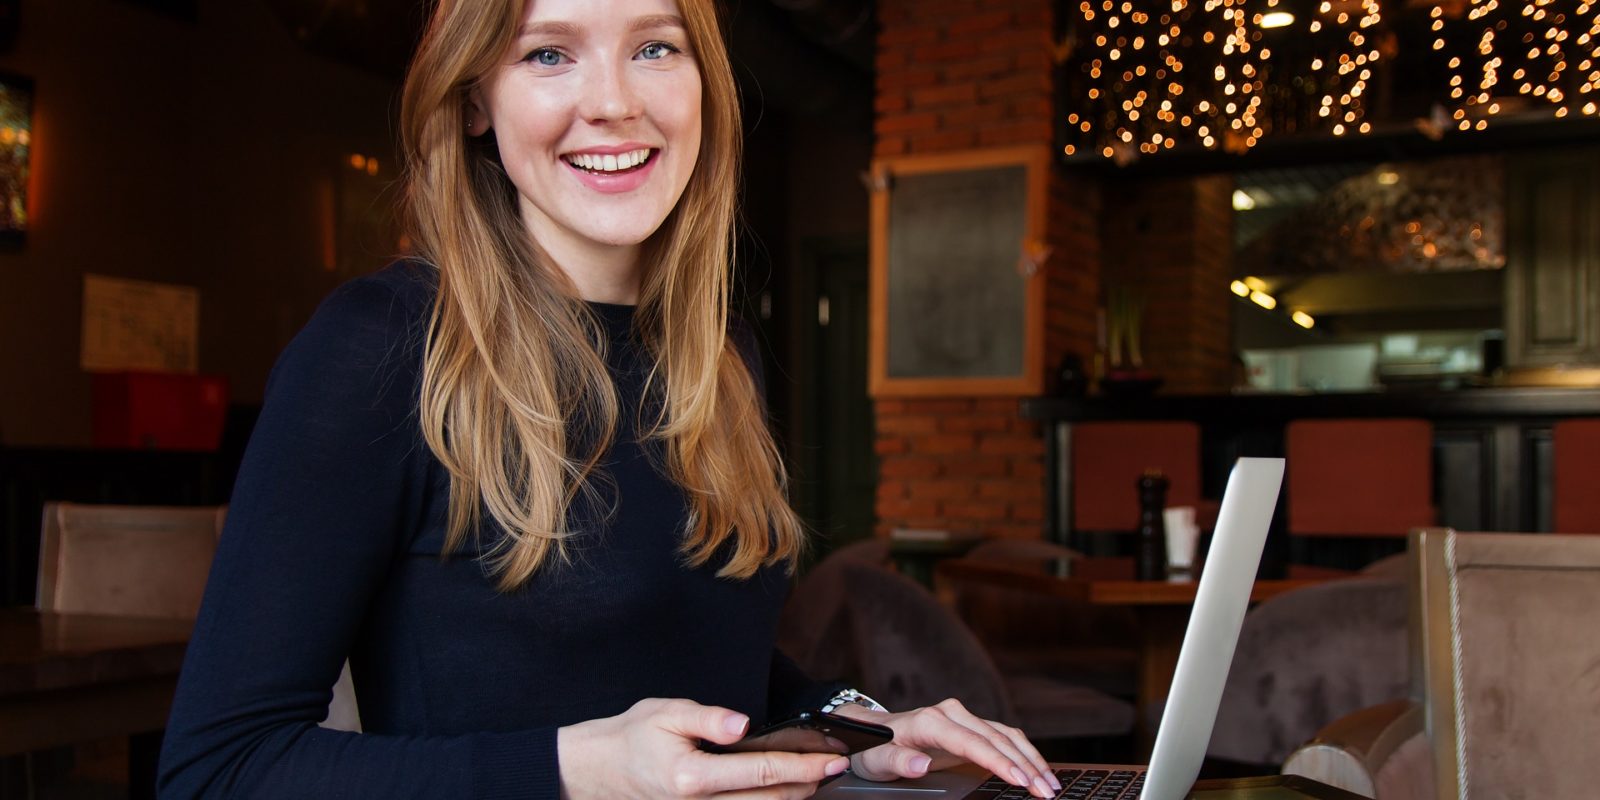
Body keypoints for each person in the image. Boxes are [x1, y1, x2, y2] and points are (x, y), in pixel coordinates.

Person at [157, 1, 1065, 798]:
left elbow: (700, 665)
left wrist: (859, 730)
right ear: (475, 98)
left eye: (656, 47)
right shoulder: (379, 347)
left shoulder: (717, 351)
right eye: (548, 53)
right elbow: (219, 768)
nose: (616, 102)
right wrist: (567, 773)